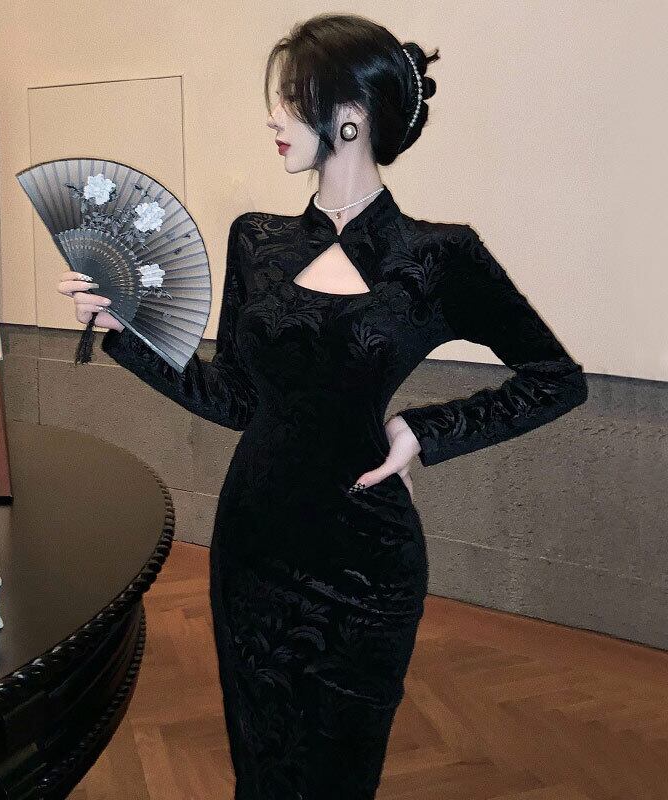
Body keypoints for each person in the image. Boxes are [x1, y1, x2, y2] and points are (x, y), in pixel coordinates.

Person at [57, 13, 588, 800]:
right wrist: (124, 332)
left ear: (351, 116)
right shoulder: (257, 241)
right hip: (254, 548)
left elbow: (556, 377)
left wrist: (423, 431)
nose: (272, 118)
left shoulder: (438, 255)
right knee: (260, 769)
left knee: (342, 776)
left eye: (291, 99)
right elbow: (235, 396)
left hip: (366, 565)